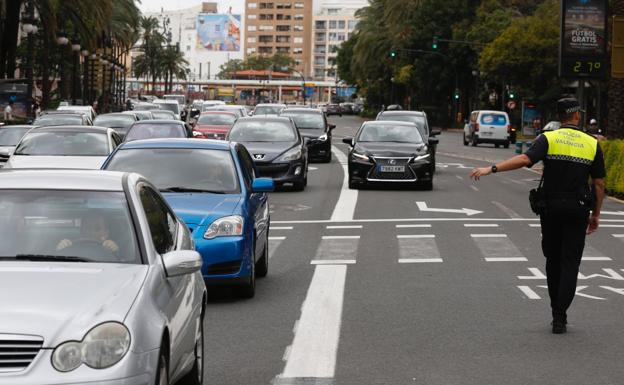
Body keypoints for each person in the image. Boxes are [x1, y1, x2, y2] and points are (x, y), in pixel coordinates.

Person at [469, 97, 606, 334]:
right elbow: (600, 183)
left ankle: (555, 311)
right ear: (575, 115)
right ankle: (561, 314)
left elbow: (524, 159)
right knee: (570, 262)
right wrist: (596, 214)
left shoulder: (549, 138)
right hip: (578, 209)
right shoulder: (591, 143)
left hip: (551, 209)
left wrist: (491, 169)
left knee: (552, 260)